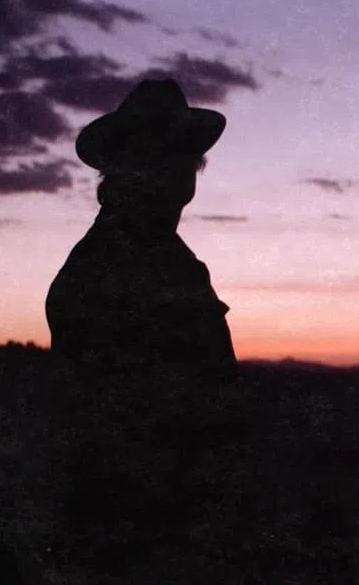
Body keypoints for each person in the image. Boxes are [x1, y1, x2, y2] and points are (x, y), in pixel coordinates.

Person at [44, 78, 245, 579]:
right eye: (158, 154)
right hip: (140, 533)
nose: (177, 169)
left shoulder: (151, 258)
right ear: (125, 169)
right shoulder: (129, 263)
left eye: (180, 154)